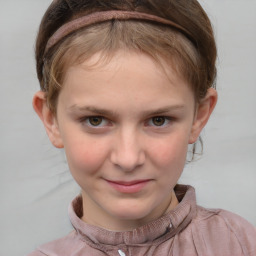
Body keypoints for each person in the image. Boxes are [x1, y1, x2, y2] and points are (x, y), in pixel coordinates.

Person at [28, 0, 256, 255]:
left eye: (159, 120)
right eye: (96, 120)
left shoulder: (241, 244)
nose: (128, 159)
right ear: (51, 120)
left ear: (199, 116)